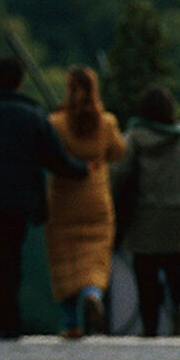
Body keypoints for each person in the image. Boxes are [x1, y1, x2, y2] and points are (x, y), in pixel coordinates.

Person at [0, 56, 88, 339]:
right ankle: (10, 319)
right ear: (20, 81)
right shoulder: (33, 115)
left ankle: (2, 317)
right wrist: (82, 171)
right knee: (12, 257)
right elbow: (54, 158)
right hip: (20, 201)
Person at [46, 66, 125, 339]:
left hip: (64, 200)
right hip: (97, 200)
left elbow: (50, 155)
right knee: (96, 255)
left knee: (64, 258)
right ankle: (92, 293)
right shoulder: (107, 123)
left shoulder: (56, 123)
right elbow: (118, 151)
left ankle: (71, 323)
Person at [112, 87, 180, 336]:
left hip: (144, 215)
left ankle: (150, 326)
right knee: (176, 268)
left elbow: (118, 174)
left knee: (146, 272)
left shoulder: (134, 138)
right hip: (179, 217)